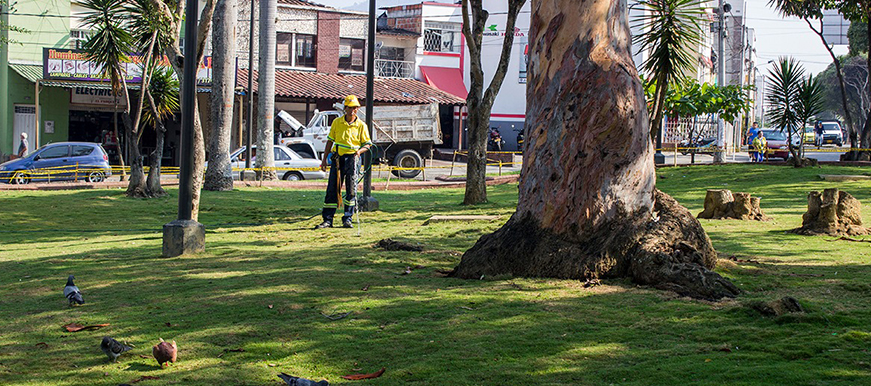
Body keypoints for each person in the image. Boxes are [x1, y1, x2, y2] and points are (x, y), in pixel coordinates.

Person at [314, 95, 372, 229]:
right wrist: (324, 160)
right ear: (345, 108)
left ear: (357, 109)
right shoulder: (337, 123)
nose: (352, 110)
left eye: (354, 108)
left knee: (351, 191)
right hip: (338, 160)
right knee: (333, 189)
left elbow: (367, 144)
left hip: (353, 159)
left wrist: (359, 152)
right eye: (349, 108)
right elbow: (330, 141)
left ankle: (348, 218)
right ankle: (328, 220)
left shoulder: (361, 125)